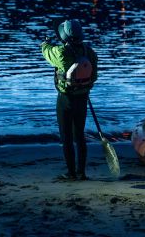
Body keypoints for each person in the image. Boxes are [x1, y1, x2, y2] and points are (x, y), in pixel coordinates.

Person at [41, 19, 98, 181]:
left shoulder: (61, 53)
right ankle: (82, 173)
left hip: (66, 100)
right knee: (79, 136)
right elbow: (94, 77)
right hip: (82, 99)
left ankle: (71, 173)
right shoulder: (90, 52)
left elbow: (47, 51)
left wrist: (45, 43)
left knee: (66, 137)